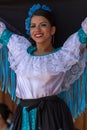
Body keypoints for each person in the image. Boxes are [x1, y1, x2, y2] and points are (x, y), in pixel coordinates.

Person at [0, 3, 87, 130]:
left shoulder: (62, 55)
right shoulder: (20, 51)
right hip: (25, 114)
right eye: (33, 26)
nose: (37, 30)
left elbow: (83, 33)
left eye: (43, 25)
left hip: (52, 115)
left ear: (52, 30)